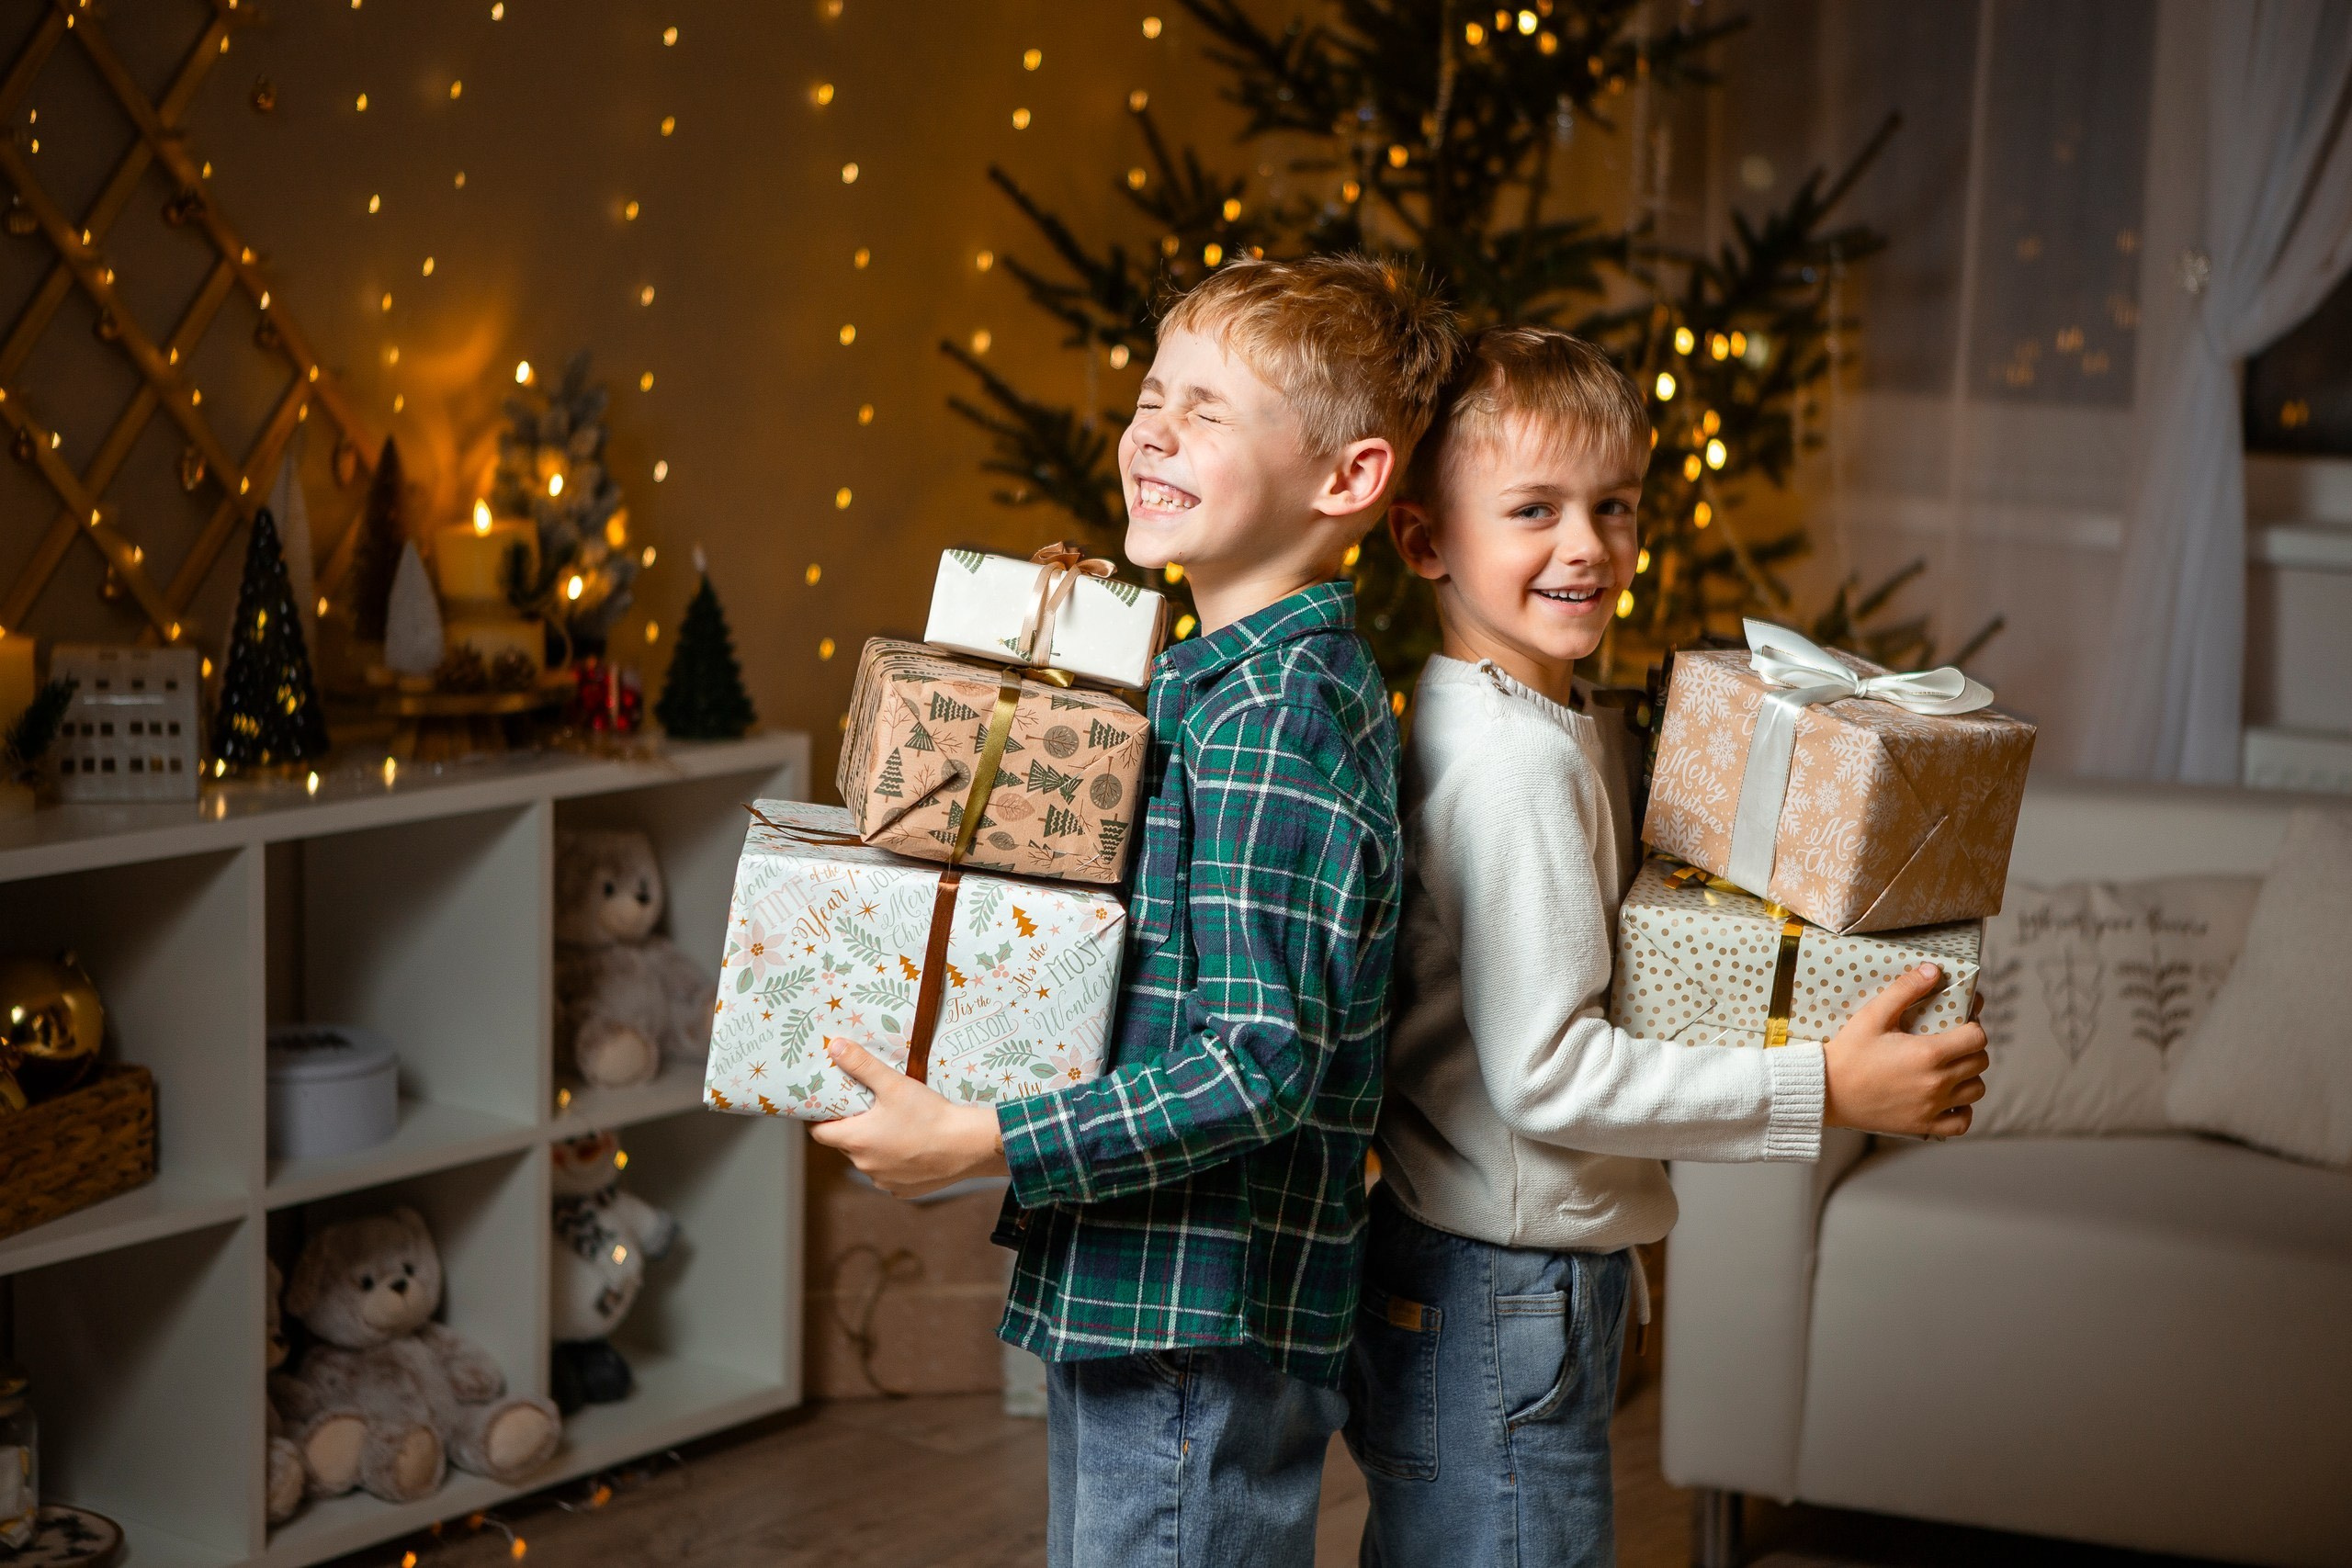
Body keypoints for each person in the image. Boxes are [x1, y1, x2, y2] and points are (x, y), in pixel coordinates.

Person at [810, 254, 1464, 1568]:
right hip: (1144, 1290)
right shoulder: (1208, 682)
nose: (1152, 429)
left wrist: (985, 1138)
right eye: (1153, 393)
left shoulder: (1278, 719)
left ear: (1347, 481)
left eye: (1210, 411)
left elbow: (1260, 1059)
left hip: (1197, 1317)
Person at [1352, 325, 1991, 1566]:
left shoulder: (1553, 716)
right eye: (1533, 510)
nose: (1586, 546)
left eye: (1614, 507)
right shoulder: (1515, 766)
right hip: (1501, 1282)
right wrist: (1827, 1087)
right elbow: (1549, 1074)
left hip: (1502, 1267)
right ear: (1426, 539)